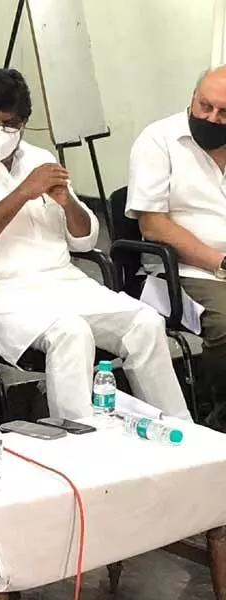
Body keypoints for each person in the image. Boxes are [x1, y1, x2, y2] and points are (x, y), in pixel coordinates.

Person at [0, 68, 189, 420]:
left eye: (11, 125)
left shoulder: (40, 159)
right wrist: (21, 194)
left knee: (145, 323)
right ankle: (79, 444)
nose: (0, 133)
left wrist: (68, 204)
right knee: (71, 331)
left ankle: (177, 433)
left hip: (61, 281)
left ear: (24, 123)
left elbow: (85, 240)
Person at [126, 66, 226, 429]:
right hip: (182, 270)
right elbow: (153, 225)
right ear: (192, 98)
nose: (212, 118)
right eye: (205, 106)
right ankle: (218, 419)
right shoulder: (159, 140)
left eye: (223, 112)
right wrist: (221, 262)